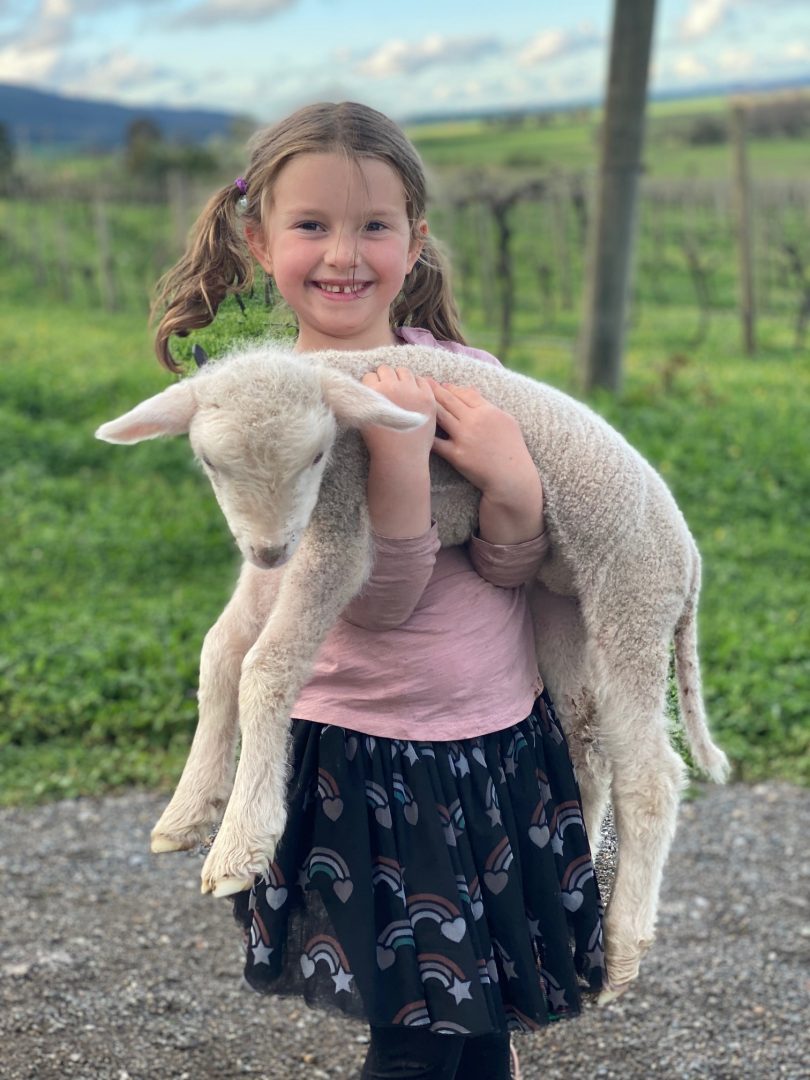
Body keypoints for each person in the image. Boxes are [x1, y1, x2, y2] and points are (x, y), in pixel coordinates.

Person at [153, 101, 604, 1080]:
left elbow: (510, 570)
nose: (342, 254)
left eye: (374, 226)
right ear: (259, 239)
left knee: (478, 1027)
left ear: (417, 240)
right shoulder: (281, 412)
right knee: (415, 1033)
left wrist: (515, 487)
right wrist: (398, 463)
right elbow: (381, 601)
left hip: (490, 746)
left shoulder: (471, 381)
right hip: (376, 761)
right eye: (311, 225)